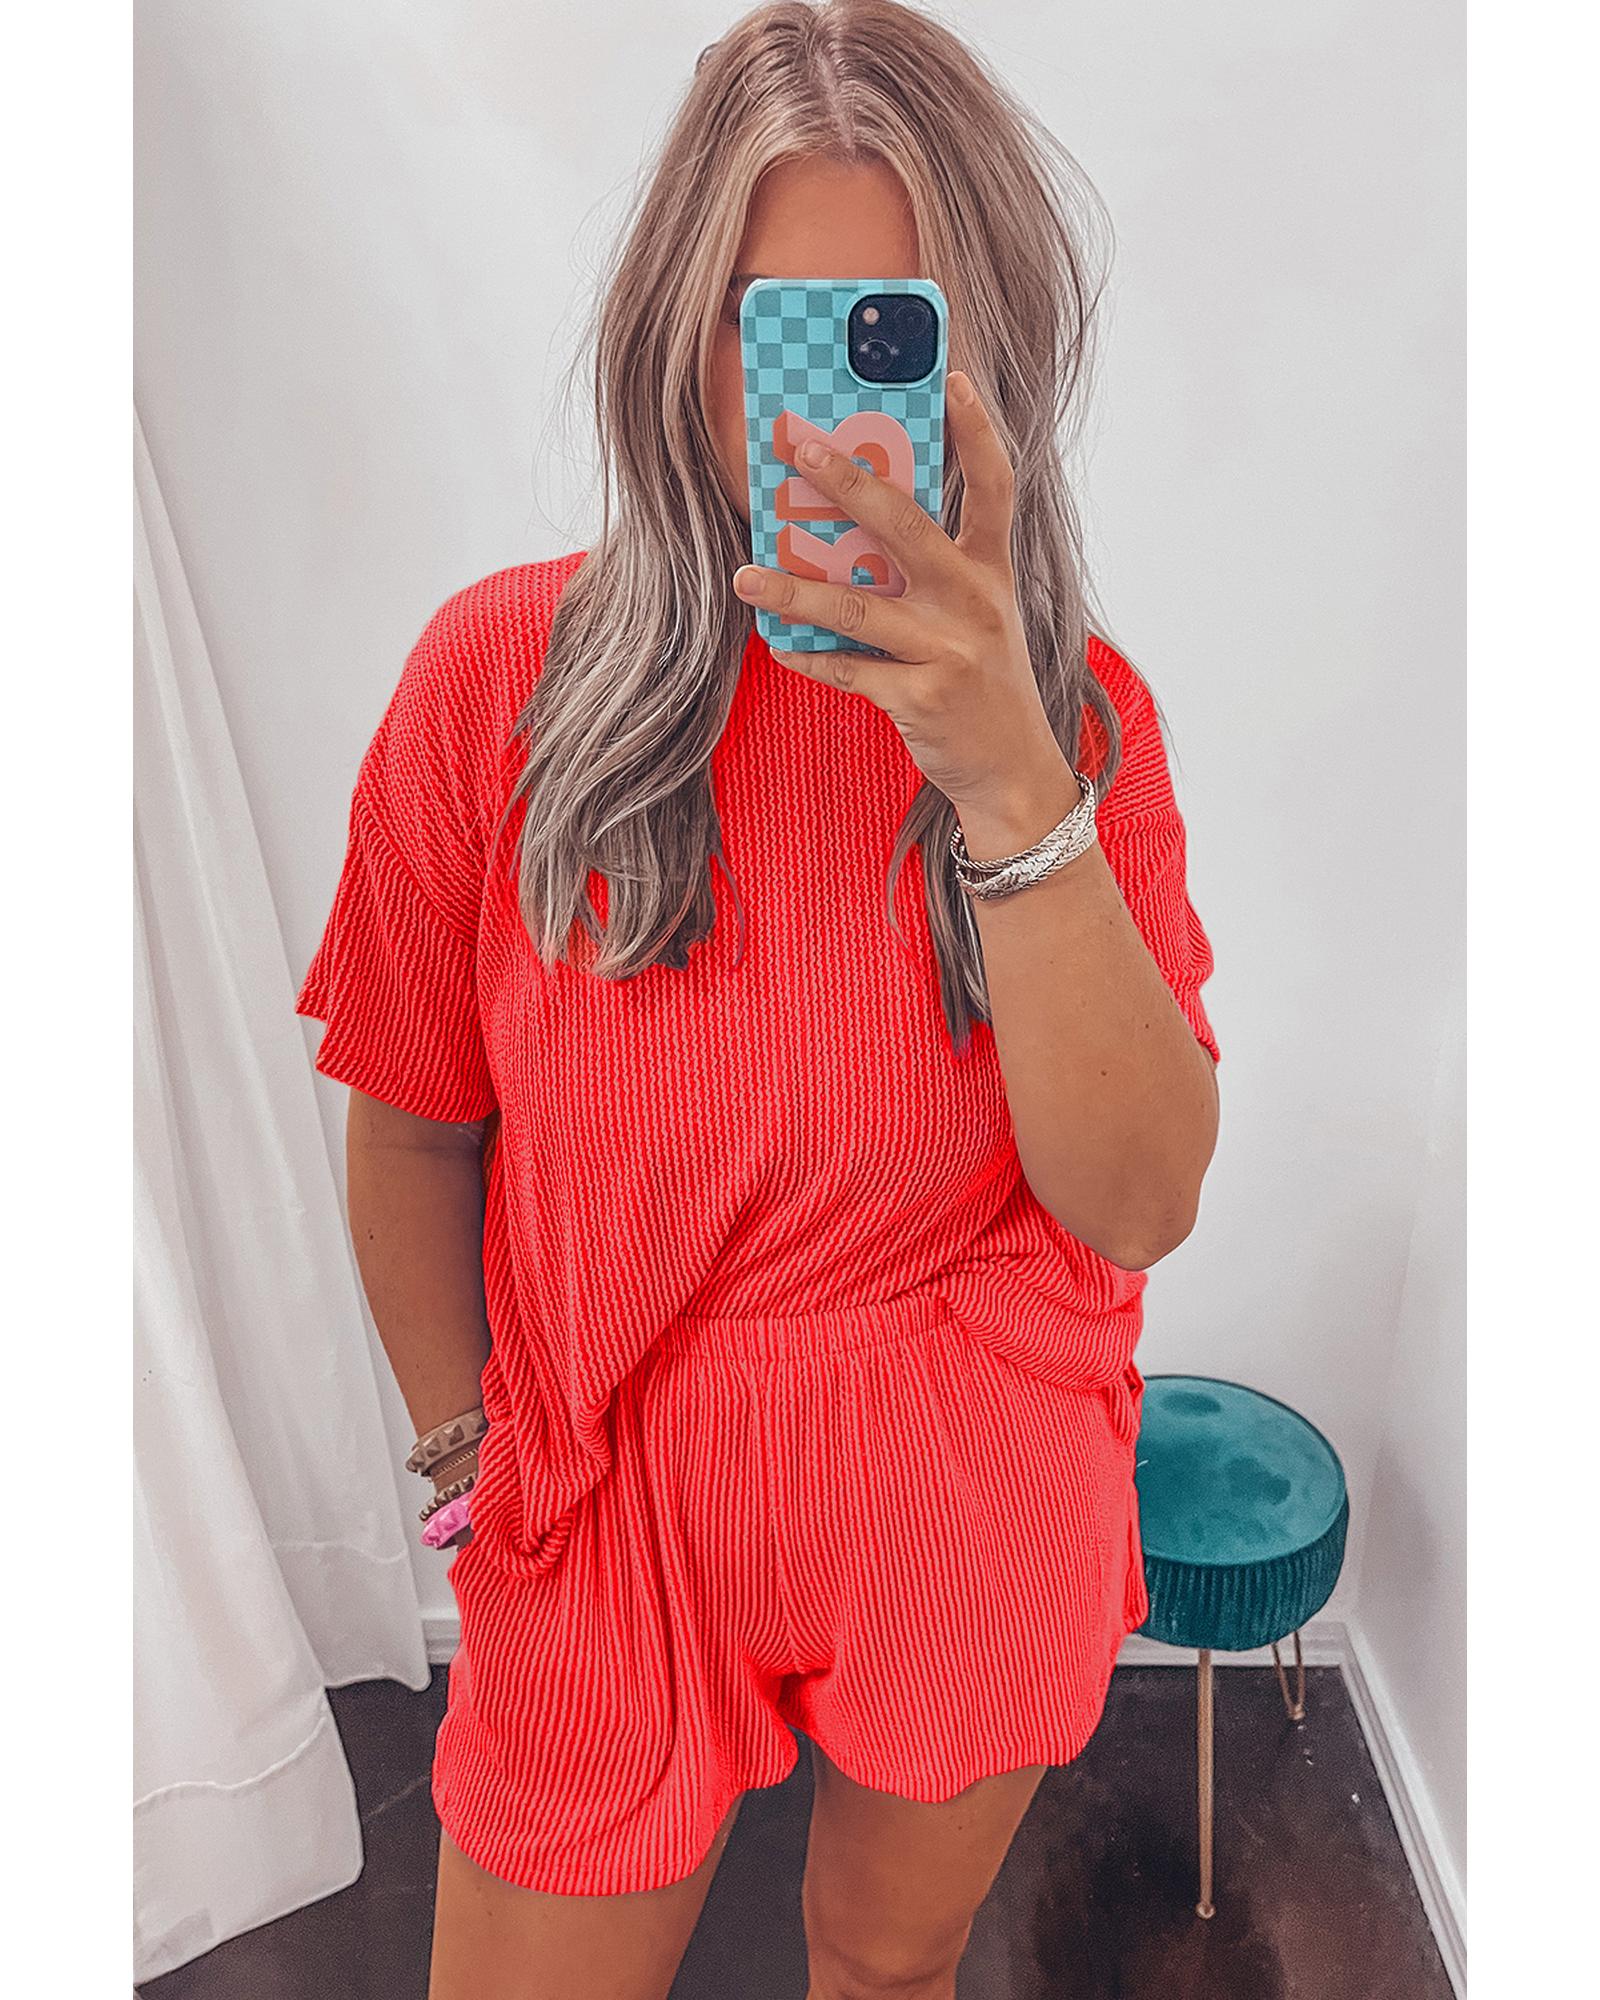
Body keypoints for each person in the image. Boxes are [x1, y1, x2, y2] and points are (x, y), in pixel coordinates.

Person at [294, 3, 1222, 1995]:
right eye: (765, 323)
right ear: (676, 336)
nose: (820, 408)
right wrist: (466, 1456)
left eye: (893, 331)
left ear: (988, 357)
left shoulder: (1079, 729)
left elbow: (1139, 1199)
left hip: (964, 1465)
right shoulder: (497, 683)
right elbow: (413, 1124)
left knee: (886, 1970)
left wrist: (1006, 780)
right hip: (605, 1490)